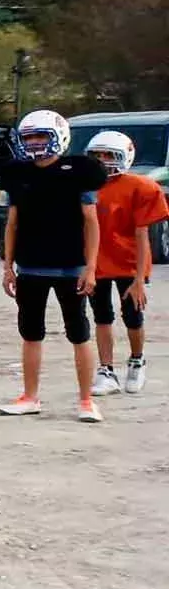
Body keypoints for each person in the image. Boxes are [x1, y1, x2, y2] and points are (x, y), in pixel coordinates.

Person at [0, 110, 109, 422]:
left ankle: (87, 401)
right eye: (29, 137)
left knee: (79, 333)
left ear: (57, 136)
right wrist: (7, 267)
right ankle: (30, 396)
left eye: (40, 136)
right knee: (31, 333)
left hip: (70, 266)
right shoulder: (18, 173)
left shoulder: (79, 171)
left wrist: (91, 266)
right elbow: (12, 223)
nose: (34, 143)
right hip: (30, 266)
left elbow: (91, 222)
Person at [85, 131, 167, 396]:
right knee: (101, 316)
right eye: (97, 155)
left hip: (129, 262)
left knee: (132, 316)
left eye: (108, 155)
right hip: (95, 262)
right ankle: (106, 369)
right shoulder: (85, 186)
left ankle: (136, 359)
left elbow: (143, 235)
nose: (102, 160)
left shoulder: (140, 187)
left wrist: (139, 278)